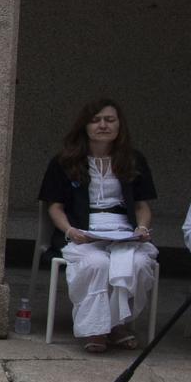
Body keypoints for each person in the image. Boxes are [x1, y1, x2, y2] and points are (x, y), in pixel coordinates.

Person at [38, 98, 159, 353]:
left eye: (109, 120)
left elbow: (141, 206)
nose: (103, 125)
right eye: (96, 120)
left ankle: (118, 325)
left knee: (136, 263)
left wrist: (142, 229)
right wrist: (70, 231)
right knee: (97, 264)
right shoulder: (64, 161)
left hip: (122, 230)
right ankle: (96, 329)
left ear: (119, 125)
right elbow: (55, 207)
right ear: (84, 126)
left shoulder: (134, 160)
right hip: (82, 230)